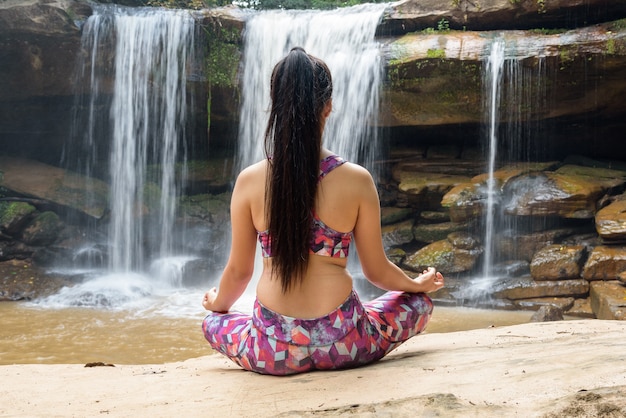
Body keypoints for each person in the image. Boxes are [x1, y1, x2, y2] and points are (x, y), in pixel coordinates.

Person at [202, 47, 444, 376]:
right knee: (418, 305)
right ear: (328, 107)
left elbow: (239, 273)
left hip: (271, 351)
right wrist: (417, 285)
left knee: (214, 322)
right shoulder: (357, 180)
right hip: (347, 343)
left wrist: (219, 305)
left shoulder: (249, 181)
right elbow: (376, 271)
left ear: (276, 107)